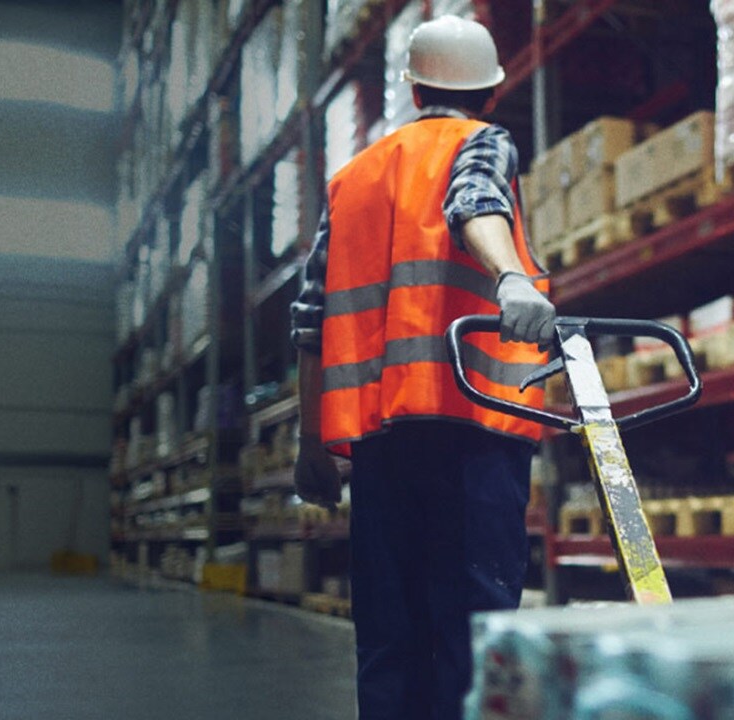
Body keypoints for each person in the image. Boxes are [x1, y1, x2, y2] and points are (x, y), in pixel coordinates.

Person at [289, 15, 556, 720]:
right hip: (471, 430)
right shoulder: (482, 142)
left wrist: (310, 444)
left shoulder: (351, 180)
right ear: (491, 93)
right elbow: (476, 199)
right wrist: (513, 278)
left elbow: (310, 319)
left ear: (412, 90)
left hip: (380, 442)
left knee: (389, 634)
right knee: (469, 631)